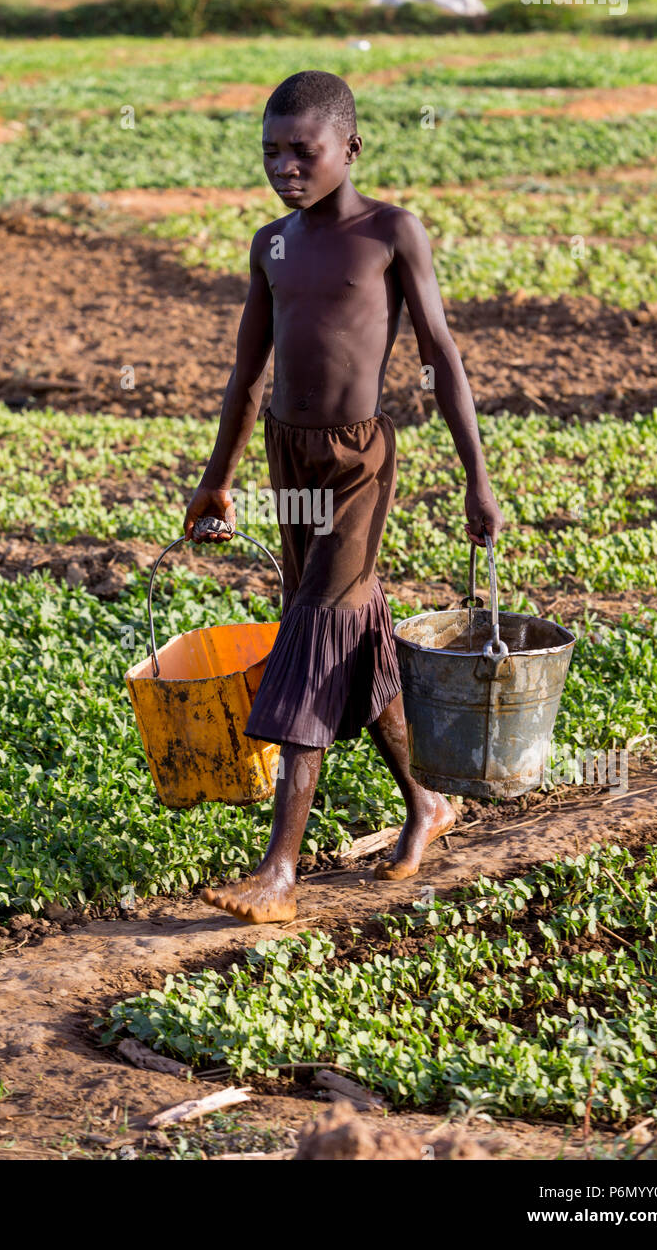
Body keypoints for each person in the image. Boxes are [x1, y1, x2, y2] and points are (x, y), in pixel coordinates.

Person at [184, 70, 504, 925]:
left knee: (314, 633)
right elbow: (248, 375)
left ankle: (280, 871)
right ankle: (428, 802)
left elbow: (442, 360)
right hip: (290, 462)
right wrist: (219, 477)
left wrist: (478, 476)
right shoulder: (271, 245)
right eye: (271, 152)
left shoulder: (390, 233)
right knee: (349, 629)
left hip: (357, 464)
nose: (285, 167)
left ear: (350, 149)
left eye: (303, 151)